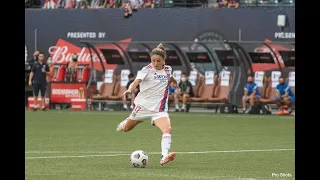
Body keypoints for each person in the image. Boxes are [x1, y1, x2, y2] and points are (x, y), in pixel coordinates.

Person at [116, 43, 179, 166]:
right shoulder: (146, 70)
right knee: (127, 129)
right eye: (153, 61)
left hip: (159, 109)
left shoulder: (168, 69)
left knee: (167, 129)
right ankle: (128, 120)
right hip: (143, 107)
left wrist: (175, 83)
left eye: (158, 61)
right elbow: (136, 82)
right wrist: (129, 90)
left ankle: (164, 156)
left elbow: (170, 77)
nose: (155, 63)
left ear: (163, 60)